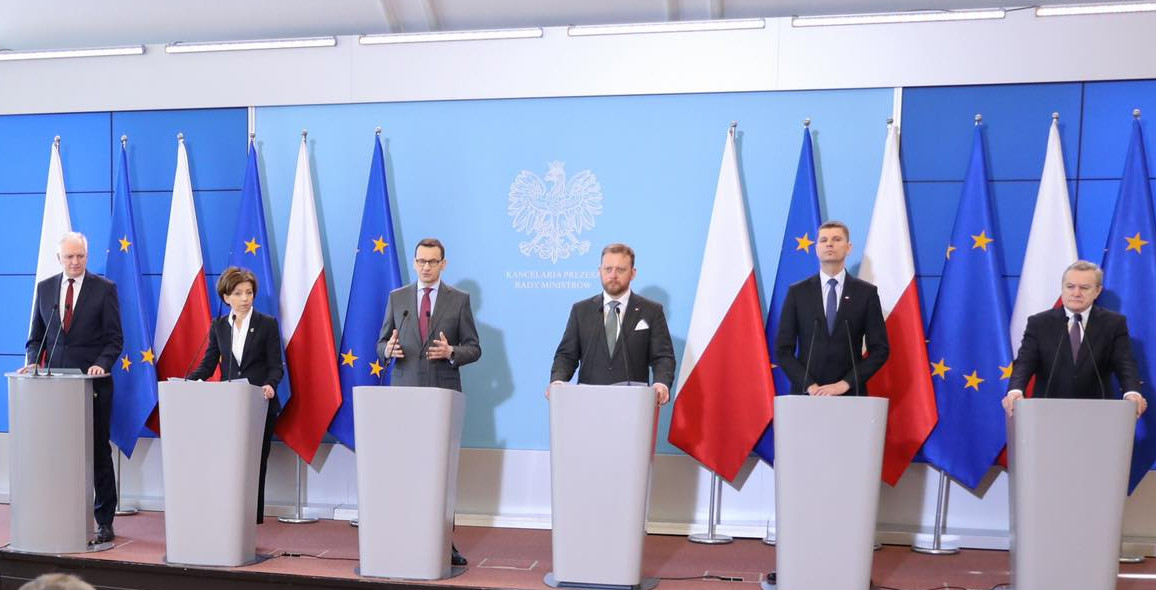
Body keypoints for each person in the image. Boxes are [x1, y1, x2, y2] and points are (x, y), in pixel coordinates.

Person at [377, 238, 481, 566]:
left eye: (432, 262)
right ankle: (405, 537)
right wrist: (387, 350)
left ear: (443, 264)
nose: (426, 267)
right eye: (421, 261)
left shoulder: (459, 300)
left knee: (440, 473)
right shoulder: (397, 298)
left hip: (442, 397)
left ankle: (443, 542)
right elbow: (381, 342)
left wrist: (451, 352)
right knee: (406, 470)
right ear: (414, 262)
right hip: (405, 397)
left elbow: (474, 348)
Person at [21, 232, 123, 544]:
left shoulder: (104, 289)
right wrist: (34, 362)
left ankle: (104, 521)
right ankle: (58, 514)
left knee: (98, 453)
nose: (75, 262)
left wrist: (101, 364)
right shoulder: (45, 288)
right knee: (57, 453)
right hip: (55, 390)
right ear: (59, 259)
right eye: (69, 257)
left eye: (80, 256)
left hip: (92, 386)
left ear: (87, 256)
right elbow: (36, 338)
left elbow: (114, 339)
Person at [187, 266, 284, 524]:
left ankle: (253, 518)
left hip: (259, 403)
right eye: (239, 293)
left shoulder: (267, 324)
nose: (245, 298)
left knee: (255, 461)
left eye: (249, 292)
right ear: (226, 297)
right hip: (229, 406)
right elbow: (209, 364)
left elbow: (276, 365)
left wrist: (271, 384)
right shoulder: (219, 326)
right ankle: (228, 514)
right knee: (229, 462)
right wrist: (189, 381)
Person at [1003, 260, 1147, 417]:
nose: (1076, 293)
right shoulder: (1039, 323)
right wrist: (1015, 390)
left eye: (1084, 288)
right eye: (1070, 286)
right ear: (1062, 288)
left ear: (1097, 291)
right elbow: (1024, 362)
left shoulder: (1113, 323)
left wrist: (1132, 392)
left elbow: (1125, 363)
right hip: (1047, 412)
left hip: (1098, 413)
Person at [549, 243, 676, 404]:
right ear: (599, 271)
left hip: (634, 405)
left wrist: (661, 384)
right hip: (587, 403)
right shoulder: (581, 310)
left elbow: (663, 357)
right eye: (608, 269)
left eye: (620, 270)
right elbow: (567, 355)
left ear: (633, 273)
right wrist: (558, 381)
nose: (613, 275)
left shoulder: (651, 311)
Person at [774, 221, 889, 396]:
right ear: (816, 249)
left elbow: (880, 349)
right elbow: (783, 350)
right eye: (823, 240)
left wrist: (845, 384)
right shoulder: (798, 292)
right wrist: (809, 386)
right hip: (807, 396)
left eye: (836, 239)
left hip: (850, 394)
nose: (829, 244)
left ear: (848, 248)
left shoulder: (866, 293)